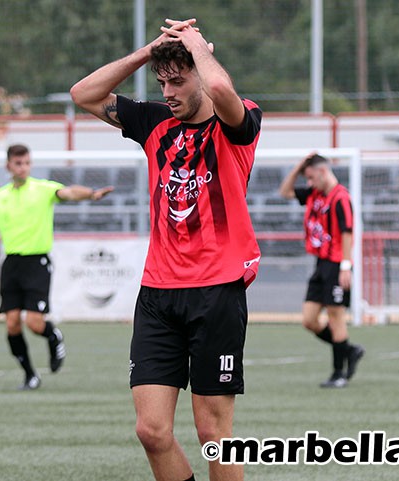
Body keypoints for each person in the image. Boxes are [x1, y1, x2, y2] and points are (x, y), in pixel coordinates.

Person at [70, 18, 261, 481]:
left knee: (214, 436)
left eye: (178, 81)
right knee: (151, 431)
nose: (169, 91)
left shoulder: (239, 121)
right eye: (163, 83)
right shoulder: (154, 121)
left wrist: (194, 44)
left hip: (217, 292)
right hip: (157, 294)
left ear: (198, 72)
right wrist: (148, 51)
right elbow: (83, 95)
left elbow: (219, 83)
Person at [0, 143, 114, 390]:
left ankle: (53, 336)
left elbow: (67, 193)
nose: (23, 167)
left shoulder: (42, 189)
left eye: (26, 163)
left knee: (34, 323)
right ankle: (30, 375)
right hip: (11, 264)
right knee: (12, 323)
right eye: (18, 163)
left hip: (37, 262)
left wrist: (90, 194)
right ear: (8, 166)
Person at [279, 153, 364, 388]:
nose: (308, 183)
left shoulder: (340, 198)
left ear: (323, 172)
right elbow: (285, 192)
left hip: (337, 264)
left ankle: (339, 373)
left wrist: (346, 267)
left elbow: (347, 233)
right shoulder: (315, 194)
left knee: (336, 318)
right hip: (320, 264)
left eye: (310, 177)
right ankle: (349, 350)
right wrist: (298, 167)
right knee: (309, 320)